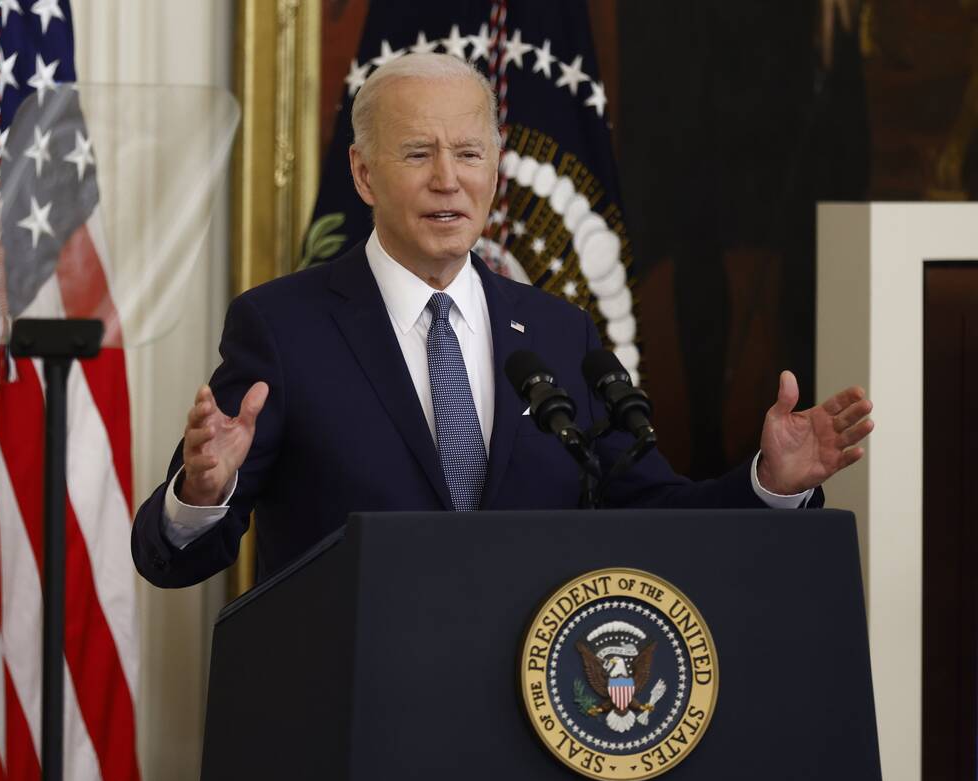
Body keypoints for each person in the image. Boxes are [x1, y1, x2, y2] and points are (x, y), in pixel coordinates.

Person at [131, 53, 873, 588]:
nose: (447, 179)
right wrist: (201, 494)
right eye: (418, 153)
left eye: (468, 153)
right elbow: (177, 559)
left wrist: (768, 481)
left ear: (495, 166)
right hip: (353, 716)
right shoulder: (282, 328)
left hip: (529, 724)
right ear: (362, 173)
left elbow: (654, 513)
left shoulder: (559, 333)